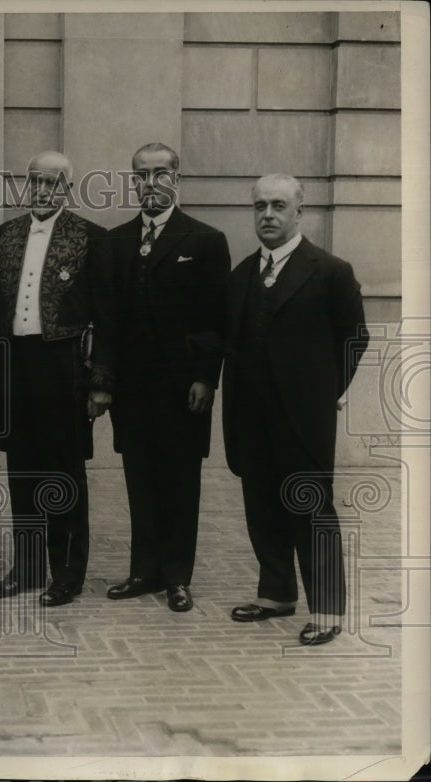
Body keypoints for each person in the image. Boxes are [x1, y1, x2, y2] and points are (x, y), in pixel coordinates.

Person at [224, 173, 368, 646]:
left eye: (279, 206)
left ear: (299, 211)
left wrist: (324, 391)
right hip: (251, 415)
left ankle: (326, 608)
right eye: (260, 206)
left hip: (304, 418)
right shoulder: (243, 274)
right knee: (261, 504)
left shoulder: (329, 271)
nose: (268, 215)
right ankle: (275, 594)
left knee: (310, 508)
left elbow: (354, 339)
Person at [0, 150, 115, 607]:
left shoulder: (89, 237)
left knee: (64, 471)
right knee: (21, 469)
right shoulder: (4, 236)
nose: (41, 190)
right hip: (16, 364)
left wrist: (100, 381)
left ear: (67, 189)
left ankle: (67, 572)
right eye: (34, 181)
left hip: (64, 366)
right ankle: (28, 565)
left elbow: (107, 315)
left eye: (52, 183)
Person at [106, 142, 230, 613]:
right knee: (139, 478)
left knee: (180, 480)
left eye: (160, 173)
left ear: (177, 177)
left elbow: (213, 320)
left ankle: (177, 575)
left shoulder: (203, 240)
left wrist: (206, 378)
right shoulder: (116, 242)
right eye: (141, 175)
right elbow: (110, 319)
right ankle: (144, 570)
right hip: (132, 390)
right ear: (132, 181)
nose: (150, 183)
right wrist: (107, 379)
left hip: (183, 389)